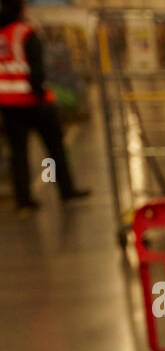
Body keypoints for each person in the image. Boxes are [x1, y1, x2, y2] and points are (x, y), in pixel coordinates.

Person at [0, 0, 88, 215]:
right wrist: (41, 95)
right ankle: (65, 189)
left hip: (8, 103)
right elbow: (37, 69)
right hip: (33, 101)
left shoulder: (2, 35)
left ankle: (24, 200)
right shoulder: (25, 32)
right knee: (53, 148)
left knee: (18, 154)